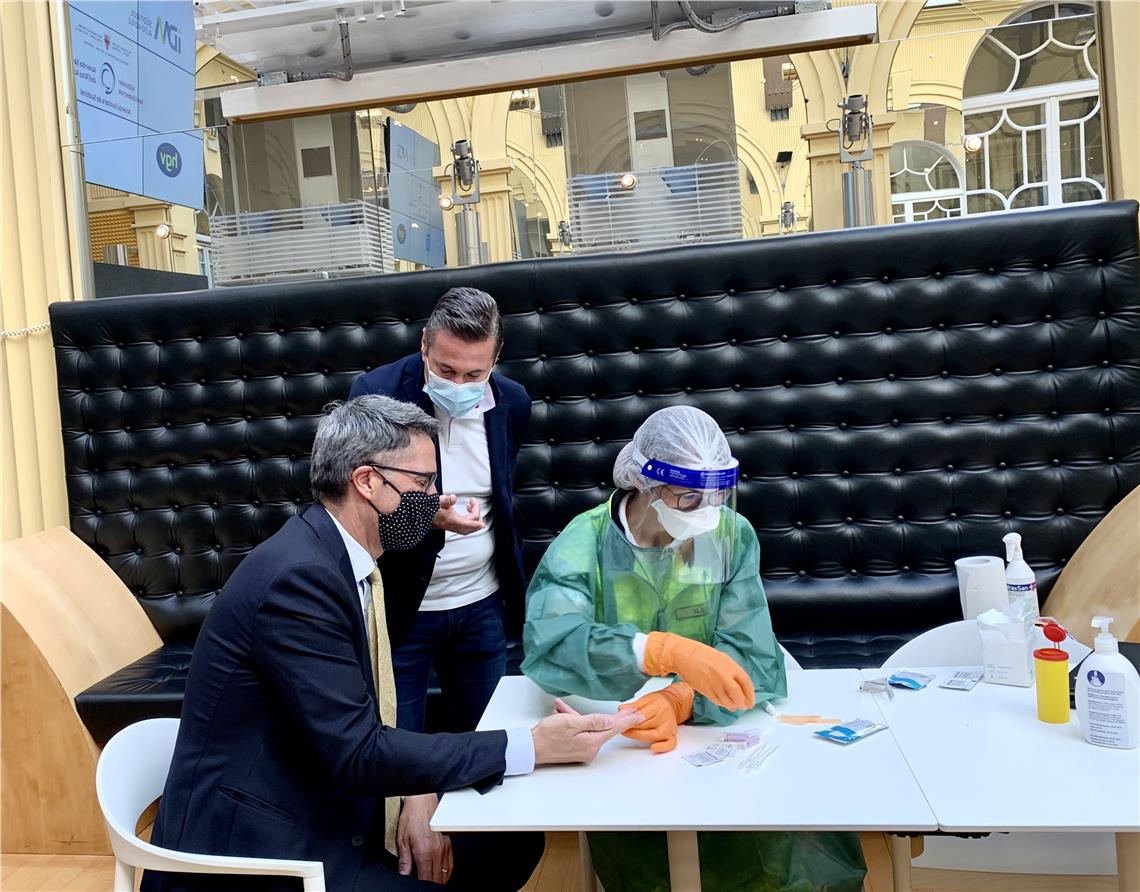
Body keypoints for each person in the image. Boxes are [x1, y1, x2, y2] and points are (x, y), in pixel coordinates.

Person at [142, 396, 641, 892]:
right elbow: (358, 752)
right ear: (367, 481)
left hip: (331, 800)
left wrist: (419, 793)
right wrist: (530, 745)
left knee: (510, 843)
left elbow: (361, 723)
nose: (434, 497)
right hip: (272, 849)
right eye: (422, 483)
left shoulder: (340, 558)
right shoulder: (299, 581)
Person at [522, 405, 867, 892]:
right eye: (687, 497)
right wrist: (652, 650)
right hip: (627, 743)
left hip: (715, 736)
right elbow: (551, 644)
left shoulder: (724, 535)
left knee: (782, 842)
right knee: (652, 862)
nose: (706, 511)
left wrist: (681, 697)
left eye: (717, 495)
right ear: (645, 482)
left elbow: (752, 652)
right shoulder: (587, 541)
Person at [349, 287, 530, 734]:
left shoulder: (513, 402)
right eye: (446, 370)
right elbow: (356, 499)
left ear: (495, 358)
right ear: (424, 345)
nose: (460, 385)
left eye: (475, 374)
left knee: (487, 743)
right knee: (397, 747)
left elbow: (503, 494)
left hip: (483, 606)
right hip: (402, 607)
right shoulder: (376, 393)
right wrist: (426, 515)